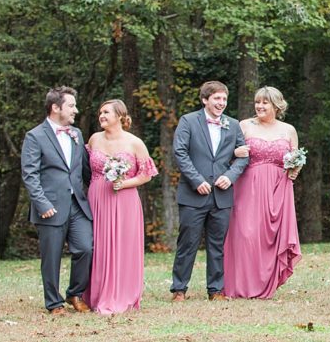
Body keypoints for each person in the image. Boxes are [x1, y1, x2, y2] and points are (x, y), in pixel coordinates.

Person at [170, 81, 249, 302]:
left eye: (224, 99)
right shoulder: (188, 121)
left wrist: (230, 176)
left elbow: (243, 157)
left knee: (217, 244)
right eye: (217, 98)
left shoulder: (232, 125)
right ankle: (179, 289)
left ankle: (215, 290)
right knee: (188, 243)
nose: (221, 103)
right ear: (205, 100)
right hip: (193, 194)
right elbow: (180, 153)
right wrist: (196, 180)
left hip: (222, 195)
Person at [224, 86, 303, 299]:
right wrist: (234, 152)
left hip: (279, 187)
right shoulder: (244, 126)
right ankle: (241, 284)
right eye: (257, 102)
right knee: (246, 234)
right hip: (248, 186)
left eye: (265, 103)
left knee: (272, 236)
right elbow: (227, 154)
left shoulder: (288, 130)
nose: (259, 106)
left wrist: (295, 169)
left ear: (276, 106)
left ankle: (267, 282)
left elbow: (297, 157)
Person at [20, 86, 94, 315]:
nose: (76, 110)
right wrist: (42, 204)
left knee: (86, 248)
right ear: (55, 107)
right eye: (71, 106)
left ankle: (74, 293)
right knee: (51, 257)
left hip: (77, 205)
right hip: (50, 206)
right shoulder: (35, 136)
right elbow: (30, 174)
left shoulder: (77, 134)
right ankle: (53, 303)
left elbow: (84, 170)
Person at [84, 100, 157, 314]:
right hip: (97, 196)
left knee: (122, 245)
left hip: (124, 199)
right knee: (98, 245)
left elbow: (146, 175)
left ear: (120, 116)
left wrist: (124, 183)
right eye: (100, 112)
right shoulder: (94, 139)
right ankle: (97, 294)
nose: (101, 116)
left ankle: (121, 294)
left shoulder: (135, 143)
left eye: (106, 112)